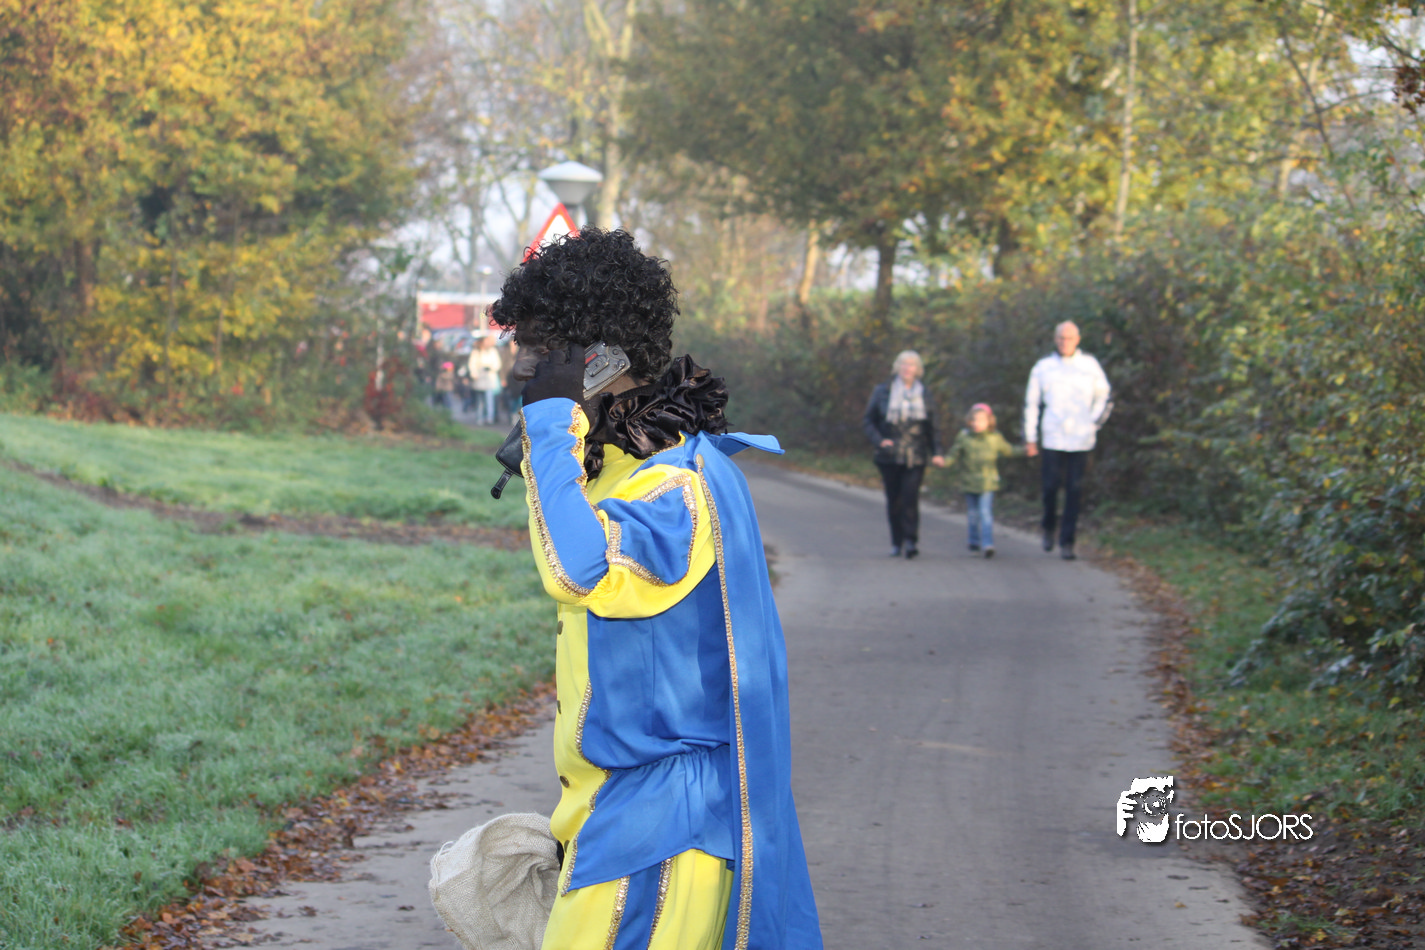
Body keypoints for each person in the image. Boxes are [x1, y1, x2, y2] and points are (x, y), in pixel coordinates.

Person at [491, 227, 822, 950]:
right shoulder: (614, 466)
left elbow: (580, 571)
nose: (521, 367)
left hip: (662, 827)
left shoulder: (677, 484)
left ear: (599, 356)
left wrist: (550, 428)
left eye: (540, 347)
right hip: (612, 812)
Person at [1024, 320, 1111, 561]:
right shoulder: (1043, 367)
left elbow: (1104, 396)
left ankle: (1068, 540)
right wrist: (1030, 437)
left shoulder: (1089, 366)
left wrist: (1092, 422)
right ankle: (1048, 526)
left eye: (1069, 338)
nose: (1065, 342)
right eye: (1061, 338)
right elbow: (1032, 403)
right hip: (1052, 437)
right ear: (1055, 339)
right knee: (1050, 487)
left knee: (1075, 490)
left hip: (1081, 439)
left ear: (1077, 340)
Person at [862, 350, 945, 559]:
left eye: (912, 365)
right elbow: (868, 421)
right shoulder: (882, 391)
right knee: (894, 500)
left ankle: (911, 540)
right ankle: (896, 542)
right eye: (904, 364)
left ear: (918, 370)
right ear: (897, 367)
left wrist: (937, 452)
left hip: (915, 454)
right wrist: (880, 440)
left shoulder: (924, 393)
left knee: (910, 498)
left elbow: (933, 427)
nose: (907, 368)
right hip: (889, 454)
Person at [943, 403, 1025, 559]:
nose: (977, 423)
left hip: (988, 483)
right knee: (973, 515)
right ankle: (973, 542)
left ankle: (988, 544)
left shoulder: (994, 438)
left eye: (981, 420)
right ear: (969, 421)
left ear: (989, 421)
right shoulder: (964, 437)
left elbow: (1009, 450)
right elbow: (953, 455)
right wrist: (944, 462)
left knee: (985, 513)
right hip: (969, 483)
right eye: (974, 420)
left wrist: (1025, 450)